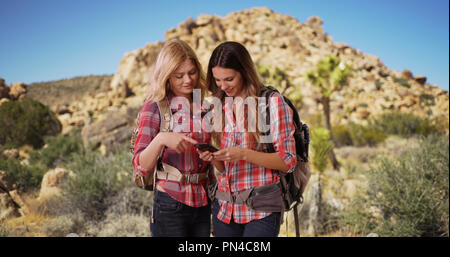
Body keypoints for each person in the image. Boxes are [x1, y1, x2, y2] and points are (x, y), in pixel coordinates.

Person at [197, 41, 297, 237]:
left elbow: (288, 161)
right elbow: (225, 168)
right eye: (217, 80)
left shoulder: (271, 103)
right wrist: (215, 157)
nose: (223, 86)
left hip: (261, 210)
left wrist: (244, 153)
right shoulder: (220, 106)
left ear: (244, 72)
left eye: (229, 79)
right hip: (225, 210)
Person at [132, 39, 215, 237]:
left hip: (203, 203)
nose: (188, 80)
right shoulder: (155, 107)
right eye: (179, 76)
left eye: (192, 73)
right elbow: (139, 165)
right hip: (170, 204)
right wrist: (161, 139)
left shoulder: (206, 108)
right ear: (167, 76)